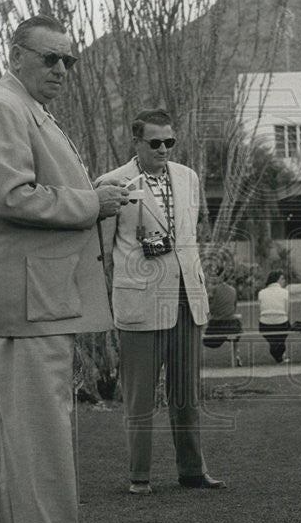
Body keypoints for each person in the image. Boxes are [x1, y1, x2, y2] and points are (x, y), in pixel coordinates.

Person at [0, 14, 132, 523]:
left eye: (69, 60)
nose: (61, 69)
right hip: (33, 297)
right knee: (45, 438)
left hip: (41, 294)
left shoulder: (21, 108)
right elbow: (13, 196)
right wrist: (93, 202)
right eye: (49, 58)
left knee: (29, 438)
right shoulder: (2, 109)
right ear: (16, 55)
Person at [96, 108, 225, 496]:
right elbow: (101, 251)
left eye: (170, 141)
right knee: (139, 396)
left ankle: (192, 471)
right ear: (136, 142)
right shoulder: (112, 183)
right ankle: (140, 477)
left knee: (187, 394)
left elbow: (190, 236)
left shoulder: (189, 178)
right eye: (155, 143)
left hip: (187, 298)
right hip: (139, 301)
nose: (164, 149)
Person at [202, 268, 243, 357]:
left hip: (216, 325)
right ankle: (236, 354)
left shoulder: (213, 290)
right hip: (231, 325)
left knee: (205, 338)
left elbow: (210, 308)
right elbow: (234, 307)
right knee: (235, 333)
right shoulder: (233, 290)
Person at [257, 270, 290, 363]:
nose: (284, 281)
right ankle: (279, 352)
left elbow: (260, 309)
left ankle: (277, 352)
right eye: (282, 279)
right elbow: (287, 310)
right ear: (277, 280)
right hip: (281, 323)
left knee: (275, 340)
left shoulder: (261, 292)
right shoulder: (285, 292)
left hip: (265, 324)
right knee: (282, 334)